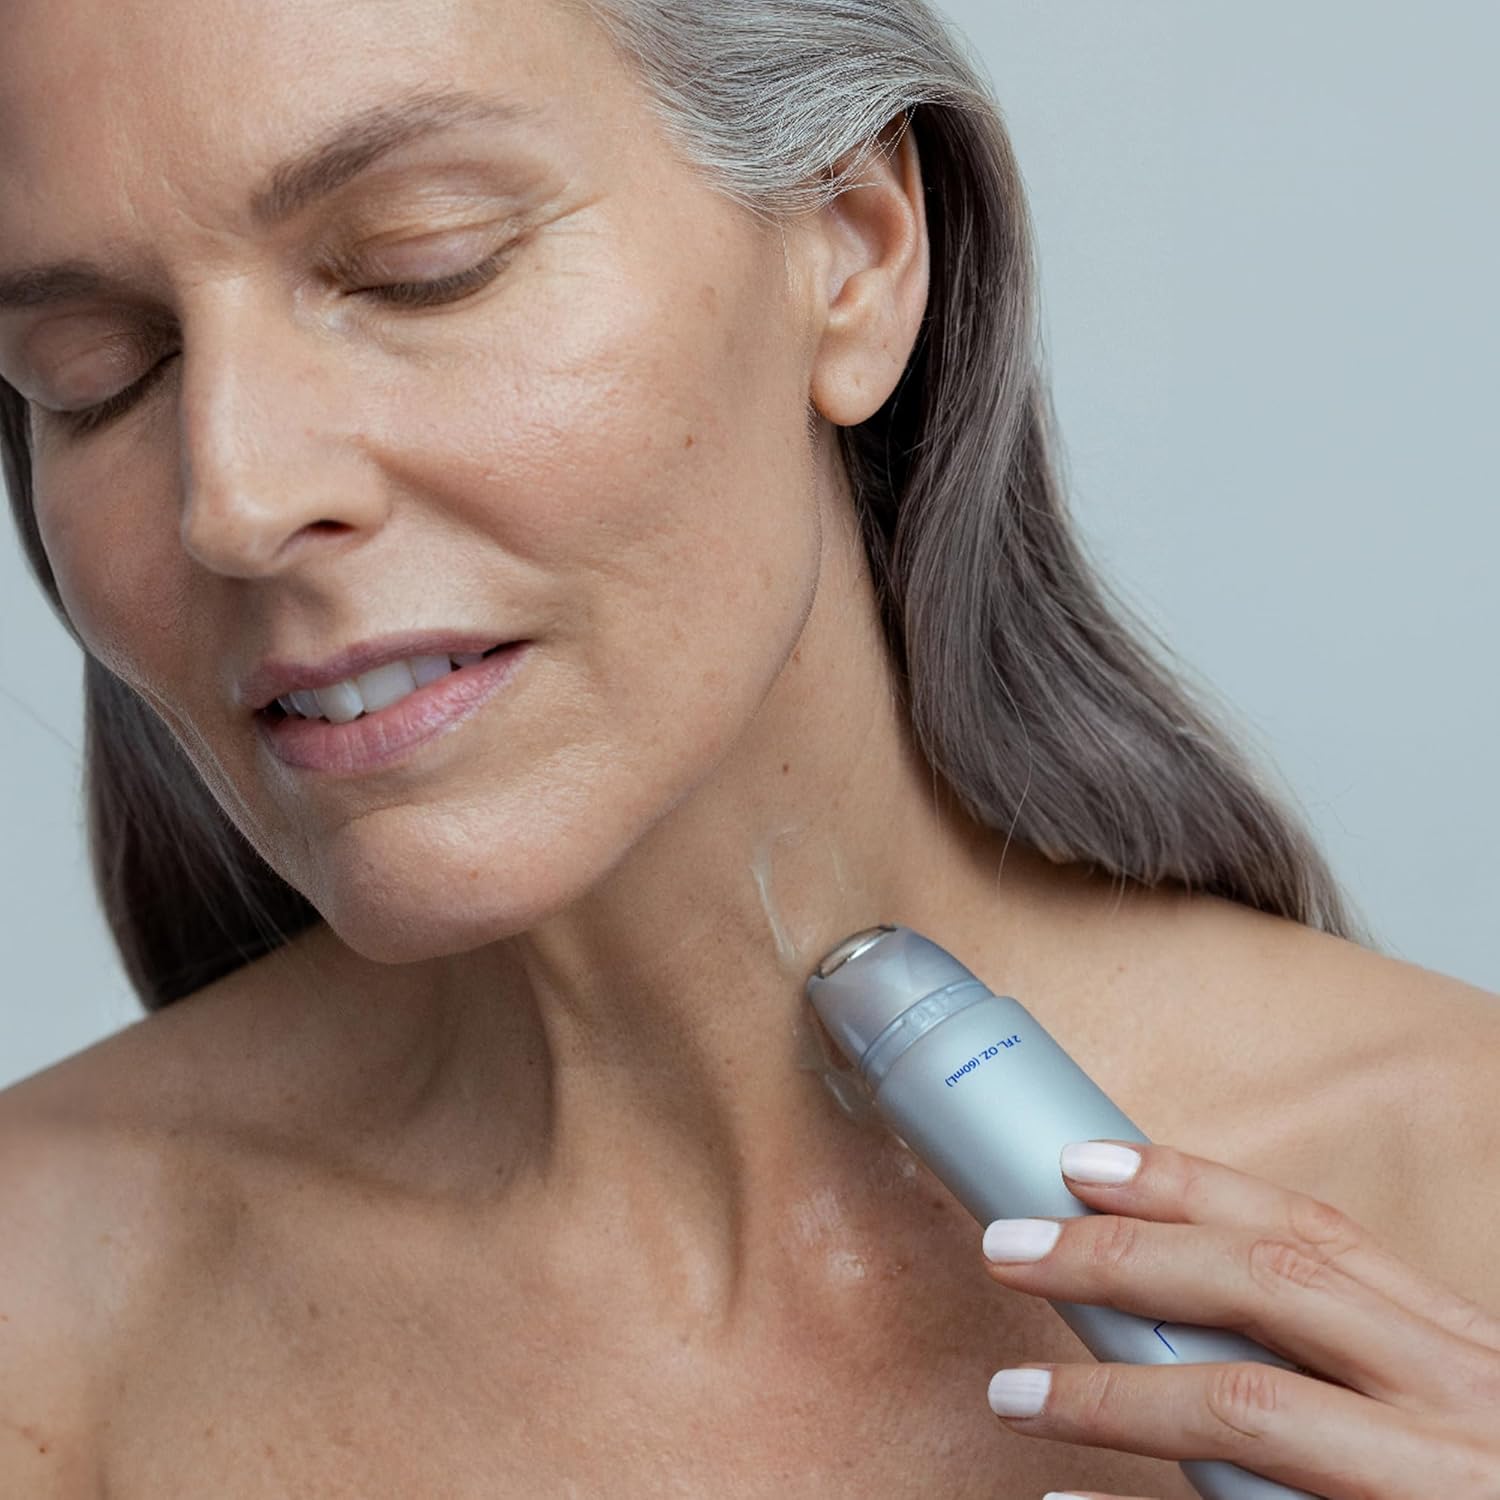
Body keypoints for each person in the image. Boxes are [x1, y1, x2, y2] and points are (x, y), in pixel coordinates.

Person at [1, 1, 1496, 1494]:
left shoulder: (1458, 1197)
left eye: (423, 263)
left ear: (853, 251)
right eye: (94, 375)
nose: (234, 500)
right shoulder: (43, 1308)